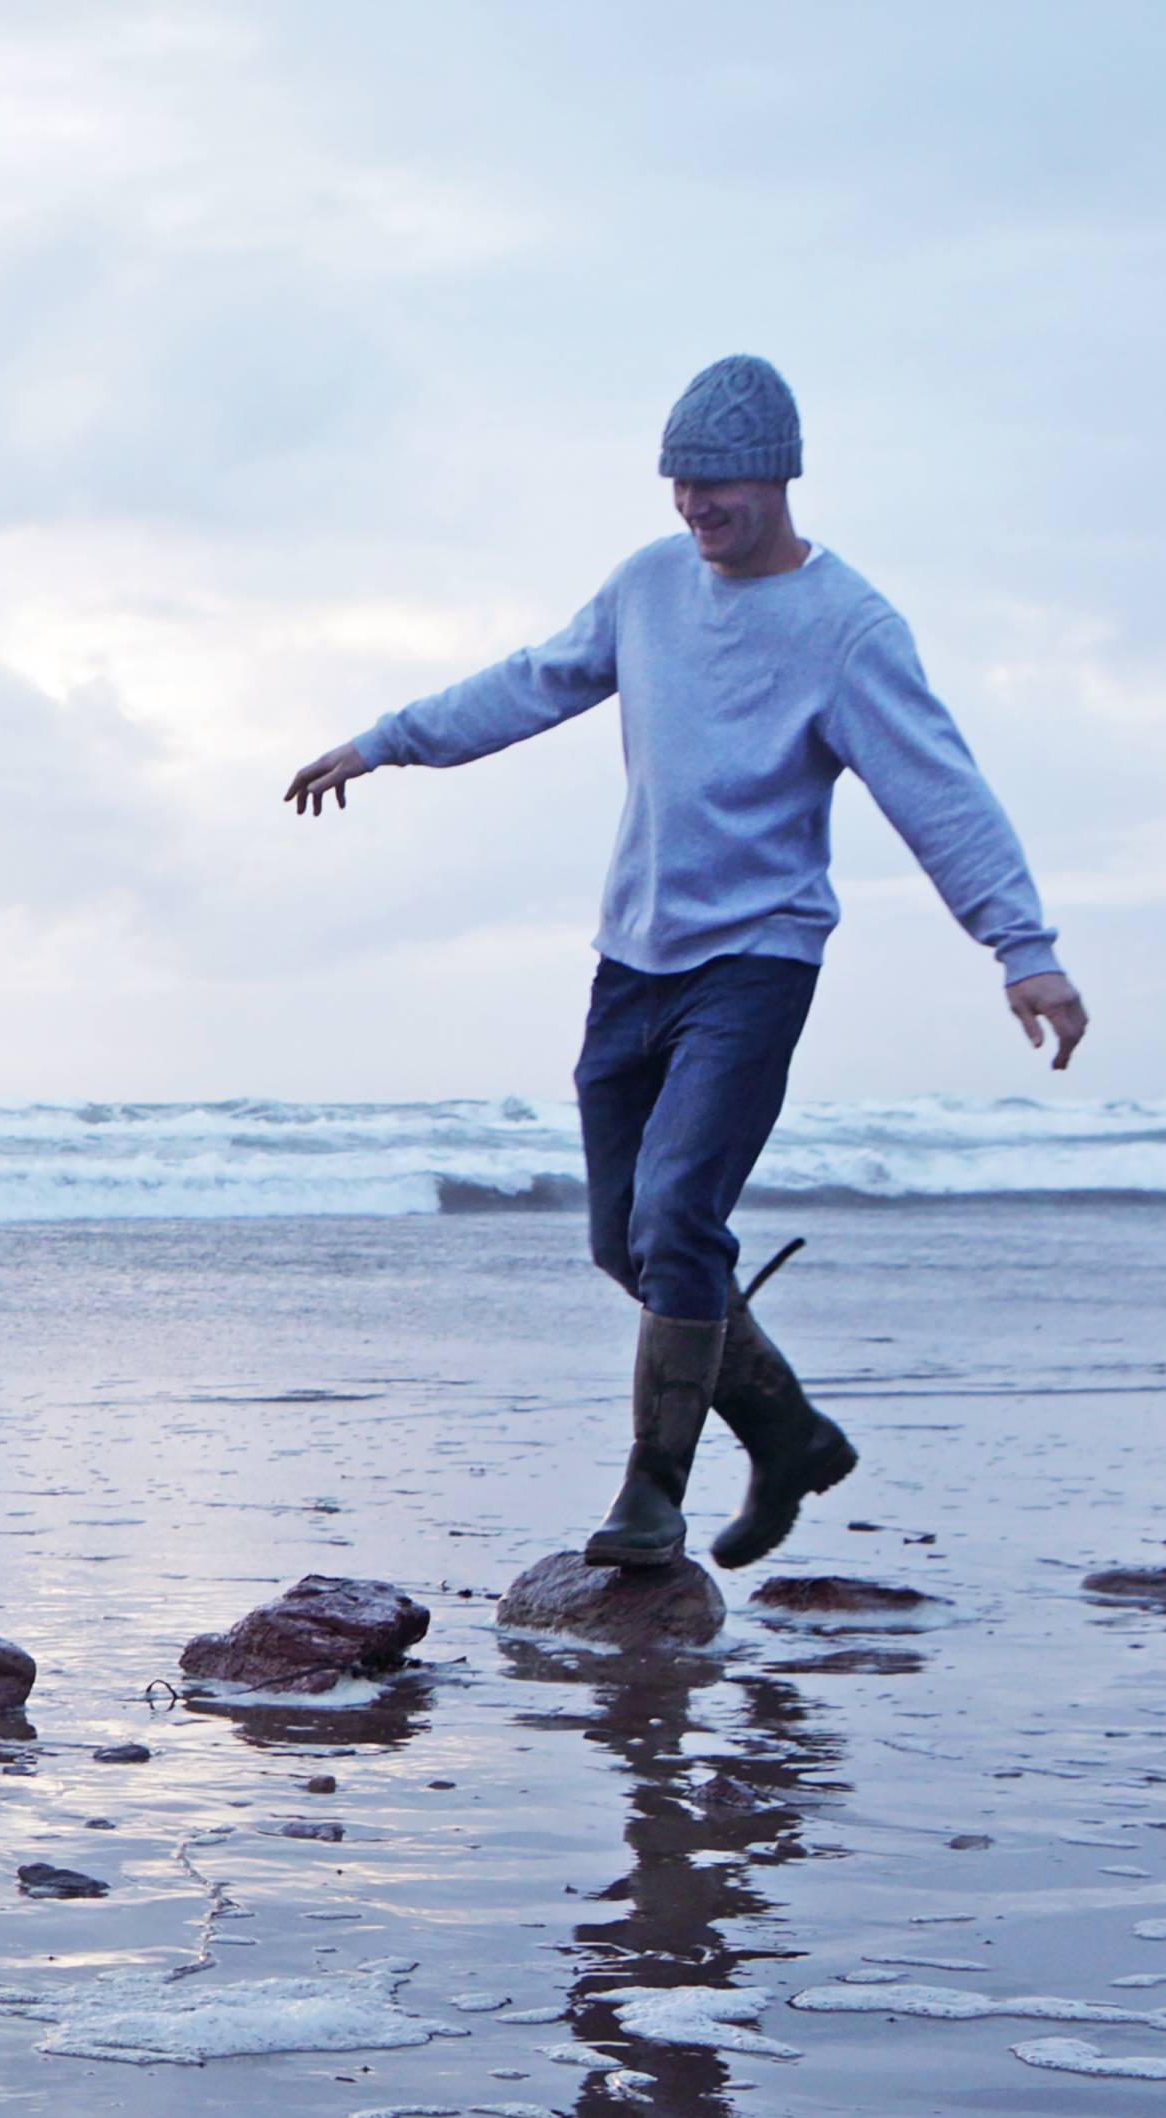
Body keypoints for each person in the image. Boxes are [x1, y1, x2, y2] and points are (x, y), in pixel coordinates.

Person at [285, 357, 1086, 1572]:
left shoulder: (848, 628)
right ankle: (789, 1434)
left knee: (678, 1214)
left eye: (716, 484)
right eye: (678, 484)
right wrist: (388, 741)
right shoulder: (649, 587)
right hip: (632, 958)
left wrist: (1021, 948)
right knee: (625, 1239)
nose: (692, 507)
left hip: (757, 962)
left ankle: (650, 1498)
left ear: (778, 475)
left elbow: (940, 788)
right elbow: (535, 680)